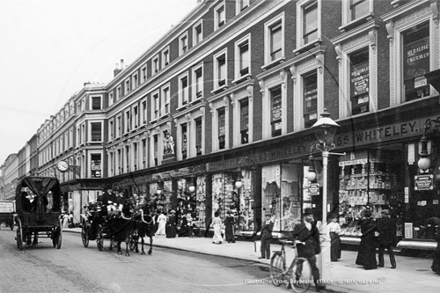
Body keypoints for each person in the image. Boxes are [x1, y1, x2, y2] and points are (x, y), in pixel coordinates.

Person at [291, 208, 325, 292]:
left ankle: (318, 285)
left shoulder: (313, 227)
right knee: (299, 265)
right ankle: (297, 280)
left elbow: (316, 238)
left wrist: (317, 249)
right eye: (309, 215)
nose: (311, 217)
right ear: (304, 217)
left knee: (314, 267)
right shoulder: (299, 226)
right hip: (302, 249)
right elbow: (292, 235)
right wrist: (295, 241)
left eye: (311, 215)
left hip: (311, 249)